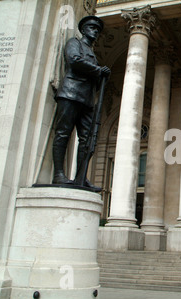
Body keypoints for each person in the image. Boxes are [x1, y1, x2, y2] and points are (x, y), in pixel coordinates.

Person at [52, 16, 111, 190]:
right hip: (70, 93)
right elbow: (74, 61)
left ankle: (80, 177)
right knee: (63, 133)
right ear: (84, 29)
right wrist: (98, 71)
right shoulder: (74, 43)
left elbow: (95, 80)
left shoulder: (93, 54)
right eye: (92, 28)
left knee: (87, 139)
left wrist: (101, 77)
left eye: (97, 30)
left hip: (87, 100)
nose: (95, 32)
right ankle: (58, 174)